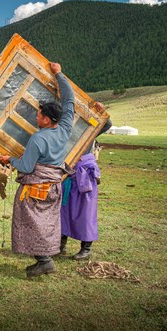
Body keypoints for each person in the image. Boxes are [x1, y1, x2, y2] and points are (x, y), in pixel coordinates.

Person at [0, 62, 75, 278]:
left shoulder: (38, 139)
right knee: (46, 223)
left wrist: (9, 159)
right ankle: (45, 259)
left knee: (32, 222)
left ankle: (44, 261)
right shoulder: (64, 128)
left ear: (47, 119)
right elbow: (69, 100)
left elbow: (26, 166)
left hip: (35, 189)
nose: (36, 116)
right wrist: (59, 74)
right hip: (54, 186)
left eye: (39, 114)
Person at [60, 102, 112, 260]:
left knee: (85, 211)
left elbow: (106, 124)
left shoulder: (87, 127)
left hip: (84, 175)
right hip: (66, 173)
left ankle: (86, 249)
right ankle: (60, 245)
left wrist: (101, 111)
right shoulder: (61, 128)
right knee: (63, 210)